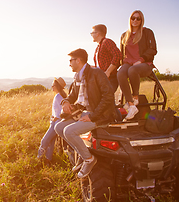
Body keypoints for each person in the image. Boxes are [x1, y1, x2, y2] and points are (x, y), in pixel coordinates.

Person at [54, 48, 116, 178]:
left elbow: (108, 96)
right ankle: (83, 155)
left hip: (99, 115)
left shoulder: (96, 72)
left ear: (78, 60)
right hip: (84, 111)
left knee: (69, 131)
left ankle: (89, 159)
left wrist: (92, 116)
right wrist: (65, 102)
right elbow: (72, 95)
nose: (69, 63)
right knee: (58, 127)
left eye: (71, 60)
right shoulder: (78, 75)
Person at [117, 10, 157, 121]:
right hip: (128, 62)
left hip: (143, 64)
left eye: (138, 18)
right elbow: (121, 54)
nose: (135, 20)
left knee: (133, 70)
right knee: (120, 73)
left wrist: (141, 59)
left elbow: (153, 49)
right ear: (129, 19)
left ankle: (135, 97)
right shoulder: (124, 35)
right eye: (132, 18)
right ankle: (131, 105)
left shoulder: (147, 32)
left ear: (141, 20)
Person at [37, 77, 67, 163]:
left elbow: (63, 110)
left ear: (57, 86)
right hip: (55, 122)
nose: (52, 87)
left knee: (45, 140)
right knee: (50, 142)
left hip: (56, 123)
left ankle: (39, 158)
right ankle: (48, 160)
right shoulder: (60, 96)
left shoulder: (58, 96)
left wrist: (57, 117)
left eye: (53, 85)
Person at [91, 24, 121, 92]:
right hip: (101, 79)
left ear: (97, 33)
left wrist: (108, 72)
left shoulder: (106, 42)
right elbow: (100, 65)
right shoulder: (98, 47)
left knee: (106, 100)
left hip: (110, 79)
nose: (92, 35)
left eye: (92, 33)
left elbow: (118, 55)